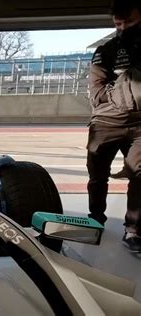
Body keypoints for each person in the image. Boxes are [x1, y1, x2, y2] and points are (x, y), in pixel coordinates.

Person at [87, 0, 141, 252]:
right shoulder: (106, 50)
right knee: (97, 176)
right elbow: (97, 91)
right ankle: (96, 217)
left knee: (140, 174)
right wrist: (127, 92)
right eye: (118, 23)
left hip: (140, 126)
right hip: (106, 123)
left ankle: (134, 230)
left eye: (129, 22)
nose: (123, 27)